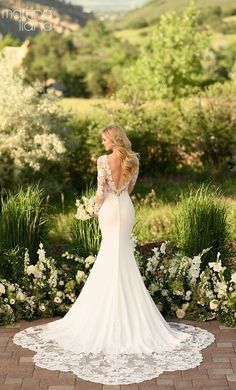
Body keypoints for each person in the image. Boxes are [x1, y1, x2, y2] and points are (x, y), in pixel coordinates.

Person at [13, 124, 215, 385]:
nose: (102, 141)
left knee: (109, 256)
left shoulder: (102, 161)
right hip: (126, 209)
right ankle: (131, 315)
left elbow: (101, 192)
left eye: (104, 138)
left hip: (109, 210)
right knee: (123, 257)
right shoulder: (133, 160)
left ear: (112, 139)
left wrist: (92, 210)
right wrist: (110, 200)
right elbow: (128, 190)